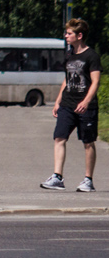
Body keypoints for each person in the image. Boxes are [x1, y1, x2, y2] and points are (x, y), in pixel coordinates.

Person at [40, 18, 101, 193]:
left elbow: (95, 82)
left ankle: (88, 180)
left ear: (79, 35)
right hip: (67, 103)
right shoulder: (69, 55)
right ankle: (57, 177)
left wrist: (86, 101)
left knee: (88, 142)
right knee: (59, 138)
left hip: (86, 106)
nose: (65, 36)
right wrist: (58, 101)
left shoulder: (92, 56)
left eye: (69, 33)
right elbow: (67, 79)